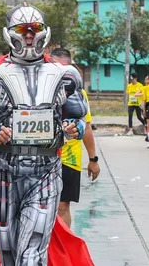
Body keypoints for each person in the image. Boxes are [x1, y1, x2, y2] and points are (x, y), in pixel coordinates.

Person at [0, 3, 90, 265]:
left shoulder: (66, 76)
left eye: (35, 28)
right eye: (23, 29)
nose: (29, 35)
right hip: (3, 174)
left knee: (32, 255)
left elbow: (79, 117)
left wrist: (76, 128)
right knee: (8, 255)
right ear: (10, 33)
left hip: (46, 173)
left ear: (45, 32)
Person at [50, 48, 100, 228]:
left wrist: (93, 159)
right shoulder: (40, 91)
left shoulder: (79, 94)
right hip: (42, 157)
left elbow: (86, 128)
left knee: (63, 206)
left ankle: (63, 250)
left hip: (68, 159)